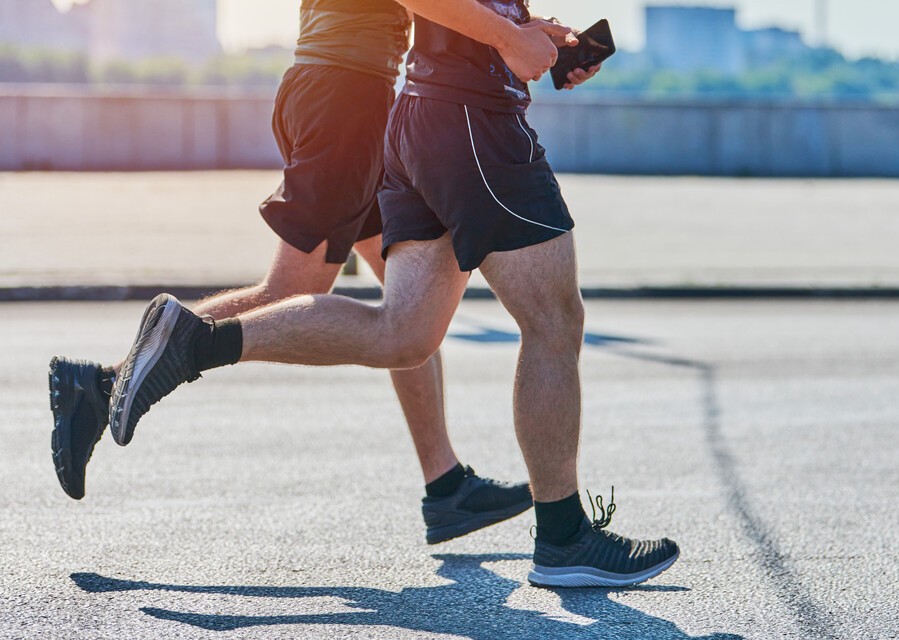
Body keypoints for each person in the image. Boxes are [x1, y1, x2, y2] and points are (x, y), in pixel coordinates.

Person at [102, 0, 680, 588]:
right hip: (469, 121)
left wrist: (530, 35)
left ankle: (195, 343)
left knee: (404, 335)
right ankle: (562, 536)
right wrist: (509, 38)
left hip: (425, 115)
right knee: (554, 321)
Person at [48, 0, 556, 548]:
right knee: (292, 291)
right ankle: (101, 385)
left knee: (408, 298)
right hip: (348, 96)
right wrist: (507, 36)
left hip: (334, 84)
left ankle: (445, 482)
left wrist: (520, 33)